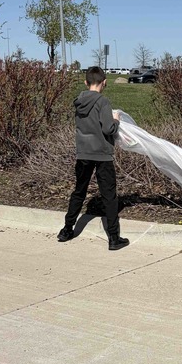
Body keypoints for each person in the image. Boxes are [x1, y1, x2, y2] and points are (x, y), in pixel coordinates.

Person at [57, 65, 130, 249]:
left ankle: (66, 230)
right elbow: (107, 129)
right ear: (104, 82)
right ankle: (114, 238)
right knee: (109, 196)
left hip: (83, 153)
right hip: (102, 154)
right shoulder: (102, 102)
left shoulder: (79, 101)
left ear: (85, 82)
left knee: (79, 191)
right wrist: (116, 121)